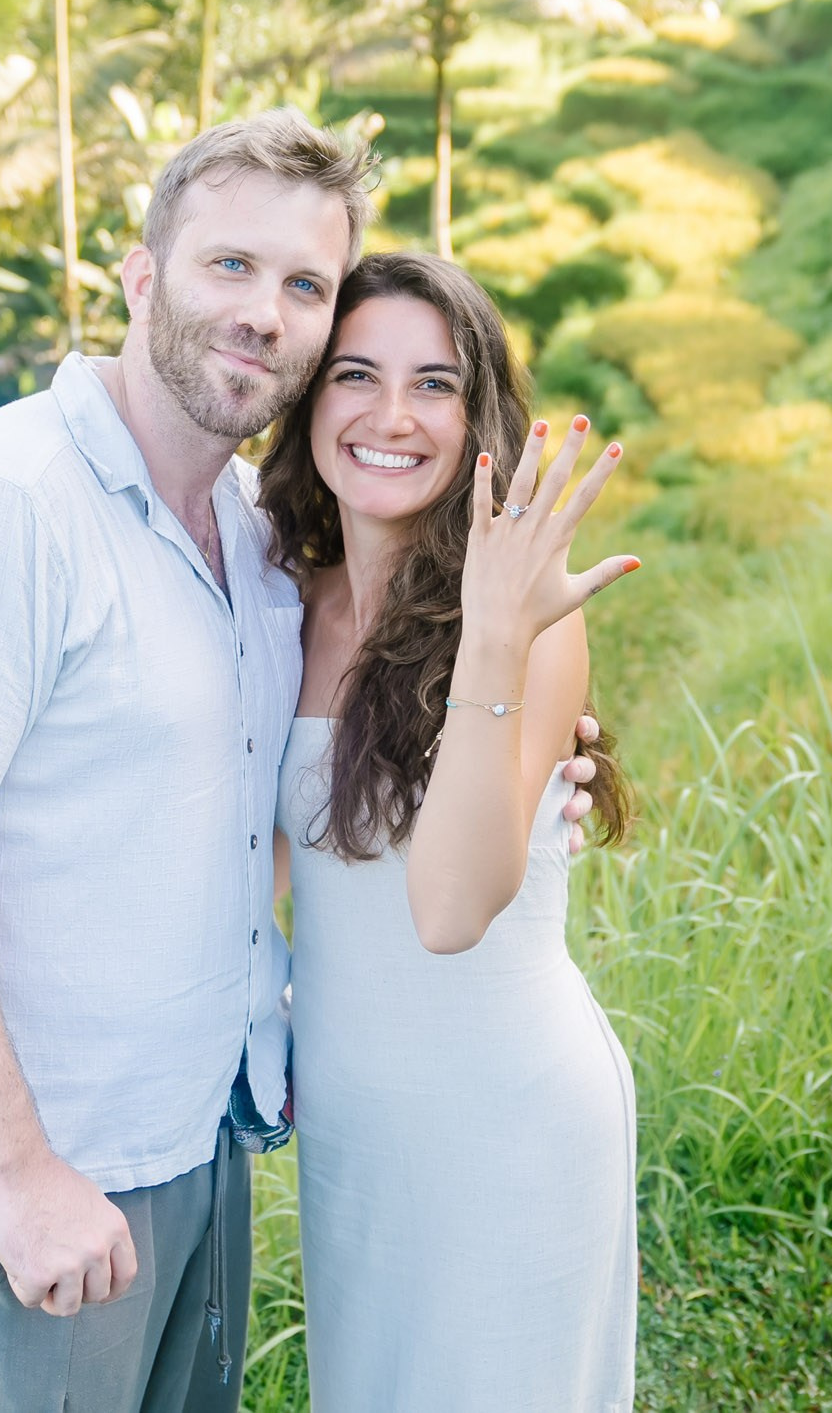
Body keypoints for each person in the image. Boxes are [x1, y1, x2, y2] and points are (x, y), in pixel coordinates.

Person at [0, 111, 605, 1413]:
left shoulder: (254, 544)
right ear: (143, 275)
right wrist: (16, 1169)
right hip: (46, 1166)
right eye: (230, 265)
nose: (262, 311)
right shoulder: (8, 499)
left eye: (303, 283)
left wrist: (522, 766)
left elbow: (260, 818)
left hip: (207, 1143)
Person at [264, 250, 642, 1412]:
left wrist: (489, 632)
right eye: (355, 374)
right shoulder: (284, 600)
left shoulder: (531, 622)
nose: (391, 415)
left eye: (433, 383)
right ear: (308, 399)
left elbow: (448, 908)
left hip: (506, 1119)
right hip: (353, 1130)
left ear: (479, 419)